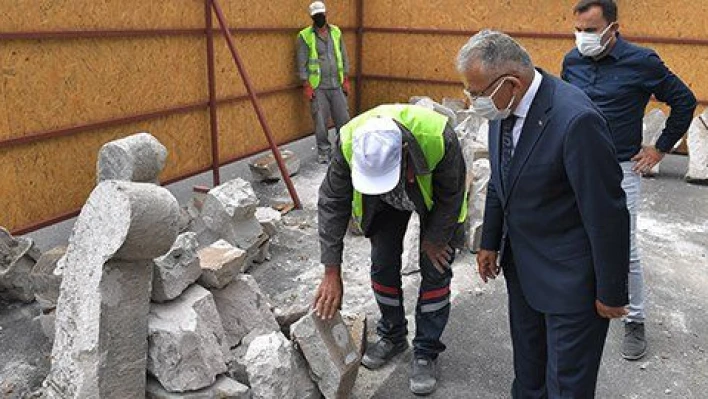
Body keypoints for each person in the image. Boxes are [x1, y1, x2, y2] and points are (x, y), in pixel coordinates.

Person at [458, 30, 630, 397]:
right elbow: (502, 179)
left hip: (572, 282)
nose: (473, 101)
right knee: (528, 376)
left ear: (512, 82)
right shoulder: (502, 106)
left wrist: (612, 291)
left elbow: (607, 213)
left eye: (477, 93)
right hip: (524, 272)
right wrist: (490, 240)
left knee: (566, 385)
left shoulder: (575, 119)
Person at [561, 0, 697, 360]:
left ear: (613, 29)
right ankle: (586, 301)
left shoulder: (642, 62)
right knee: (575, 237)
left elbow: (683, 100)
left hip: (620, 169)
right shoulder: (571, 62)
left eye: (591, 30)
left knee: (624, 246)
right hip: (574, 166)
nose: (583, 37)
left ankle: (634, 319)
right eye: (578, 29)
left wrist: (659, 149)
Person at [313, 104, 467, 395]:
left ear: (405, 153)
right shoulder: (349, 141)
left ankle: (426, 350)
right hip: (384, 202)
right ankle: (393, 335)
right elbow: (332, 204)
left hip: (434, 196)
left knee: (435, 267)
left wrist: (435, 239)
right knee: (382, 264)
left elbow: (452, 195)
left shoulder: (437, 137)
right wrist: (331, 271)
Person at [297, 1, 352, 164]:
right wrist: (306, 85)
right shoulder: (305, 36)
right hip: (318, 86)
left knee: (343, 119)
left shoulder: (336, 32)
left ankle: (344, 149)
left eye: (322, 15)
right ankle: (323, 151)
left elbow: (343, 56)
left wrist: (346, 79)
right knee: (320, 121)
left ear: (326, 14)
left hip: (337, 84)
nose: (320, 18)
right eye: (316, 16)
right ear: (312, 17)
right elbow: (301, 61)